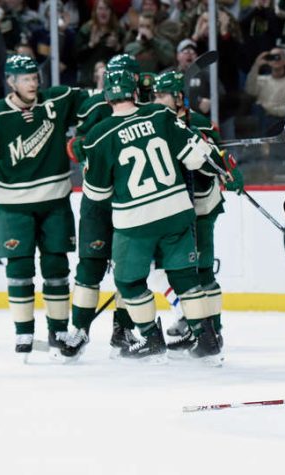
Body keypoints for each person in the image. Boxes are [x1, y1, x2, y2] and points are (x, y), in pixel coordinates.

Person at [81, 68, 227, 364]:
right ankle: (206, 337)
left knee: (129, 282)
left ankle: (150, 337)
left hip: (135, 221)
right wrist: (225, 169)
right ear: (136, 92)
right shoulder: (161, 116)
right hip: (177, 212)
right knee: (185, 277)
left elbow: (97, 194)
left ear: (107, 97)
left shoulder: (98, 135)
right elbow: (201, 157)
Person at [0, 54, 89, 360]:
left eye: (35, 77)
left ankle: (58, 330)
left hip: (55, 200)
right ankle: (24, 332)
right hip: (13, 206)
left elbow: (94, 106)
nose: (33, 83)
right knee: (19, 267)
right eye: (26, 79)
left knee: (56, 266)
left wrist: (86, 136)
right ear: (11, 82)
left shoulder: (57, 101)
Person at [65, 55, 184, 358]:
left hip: (133, 205)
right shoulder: (96, 106)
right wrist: (81, 150)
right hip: (98, 205)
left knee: (129, 268)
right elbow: (75, 144)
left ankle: (123, 330)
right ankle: (79, 329)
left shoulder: (150, 110)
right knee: (90, 266)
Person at [150, 70, 244, 352]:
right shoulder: (156, 122)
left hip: (202, 206)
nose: (157, 101)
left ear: (179, 97)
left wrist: (228, 170)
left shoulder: (200, 123)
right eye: (155, 96)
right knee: (167, 269)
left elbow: (215, 160)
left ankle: (213, 331)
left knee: (202, 271)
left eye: (162, 96)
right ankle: (188, 318)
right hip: (173, 208)